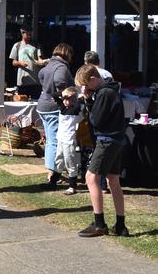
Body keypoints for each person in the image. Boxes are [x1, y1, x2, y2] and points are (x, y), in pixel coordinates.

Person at [74, 64, 128, 238]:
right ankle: (120, 225)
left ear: (93, 79)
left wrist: (88, 101)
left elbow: (96, 120)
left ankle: (99, 224)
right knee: (113, 181)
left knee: (91, 178)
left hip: (107, 140)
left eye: (86, 84)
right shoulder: (110, 90)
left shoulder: (104, 93)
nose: (85, 88)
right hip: (117, 139)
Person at [38, 43, 74, 189]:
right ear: (67, 53)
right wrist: (63, 94)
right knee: (54, 142)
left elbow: (41, 75)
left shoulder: (49, 64)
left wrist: (47, 89)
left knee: (50, 141)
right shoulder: (61, 67)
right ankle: (51, 174)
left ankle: (53, 171)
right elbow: (59, 81)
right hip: (52, 107)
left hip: (43, 105)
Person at [52, 86, 84, 195]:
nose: (65, 101)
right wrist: (64, 93)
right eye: (64, 99)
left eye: (69, 99)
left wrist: (74, 95)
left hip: (69, 140)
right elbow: (54, 95)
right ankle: (53, 182)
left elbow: (79, 103)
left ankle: (72, 186)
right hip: (60, 138)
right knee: (58, 160)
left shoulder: (75, 109)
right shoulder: (63, 107)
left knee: (70, 162)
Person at [9, 28, 46, 99]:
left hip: (35, 82)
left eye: (30, 34)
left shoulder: (36, 45)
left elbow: (40, 59)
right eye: (27, 34)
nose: (30, 35)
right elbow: (13, 62)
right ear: (22, 34)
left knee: (35, 103)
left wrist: (43, 62)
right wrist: (20, 63)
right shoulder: (17, 45)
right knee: (22, 102)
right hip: (22, 82)